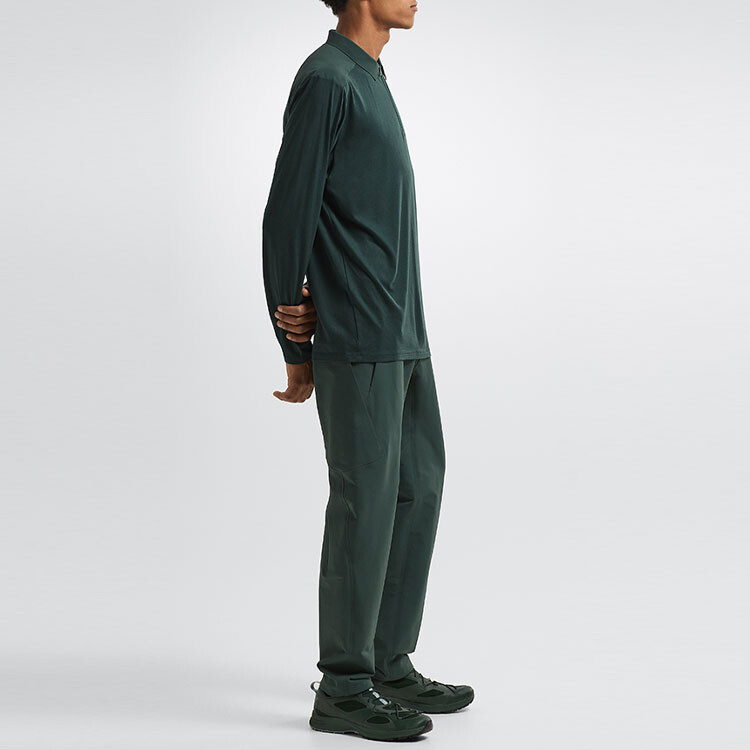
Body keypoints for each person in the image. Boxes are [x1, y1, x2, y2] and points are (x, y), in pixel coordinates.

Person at [262, 0, 474, 740]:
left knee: (418, 488)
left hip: (403, 330)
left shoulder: (370, 76)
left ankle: (387, 661)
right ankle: (344, 688)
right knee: (365, 502)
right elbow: (288, 215)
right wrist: (293, 344)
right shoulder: (327, 78)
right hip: (358, 333)